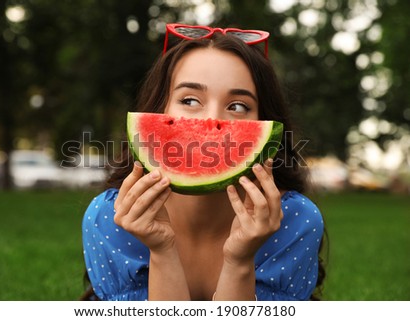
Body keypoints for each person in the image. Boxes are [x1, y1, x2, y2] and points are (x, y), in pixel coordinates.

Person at [81, 24, 326, 301]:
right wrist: (162, 252)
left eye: (237, 106)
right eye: (189, 100)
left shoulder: (293, 221)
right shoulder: (111, 219)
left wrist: (240, 261)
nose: (211, 120)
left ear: (266, 123)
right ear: (159, 110)